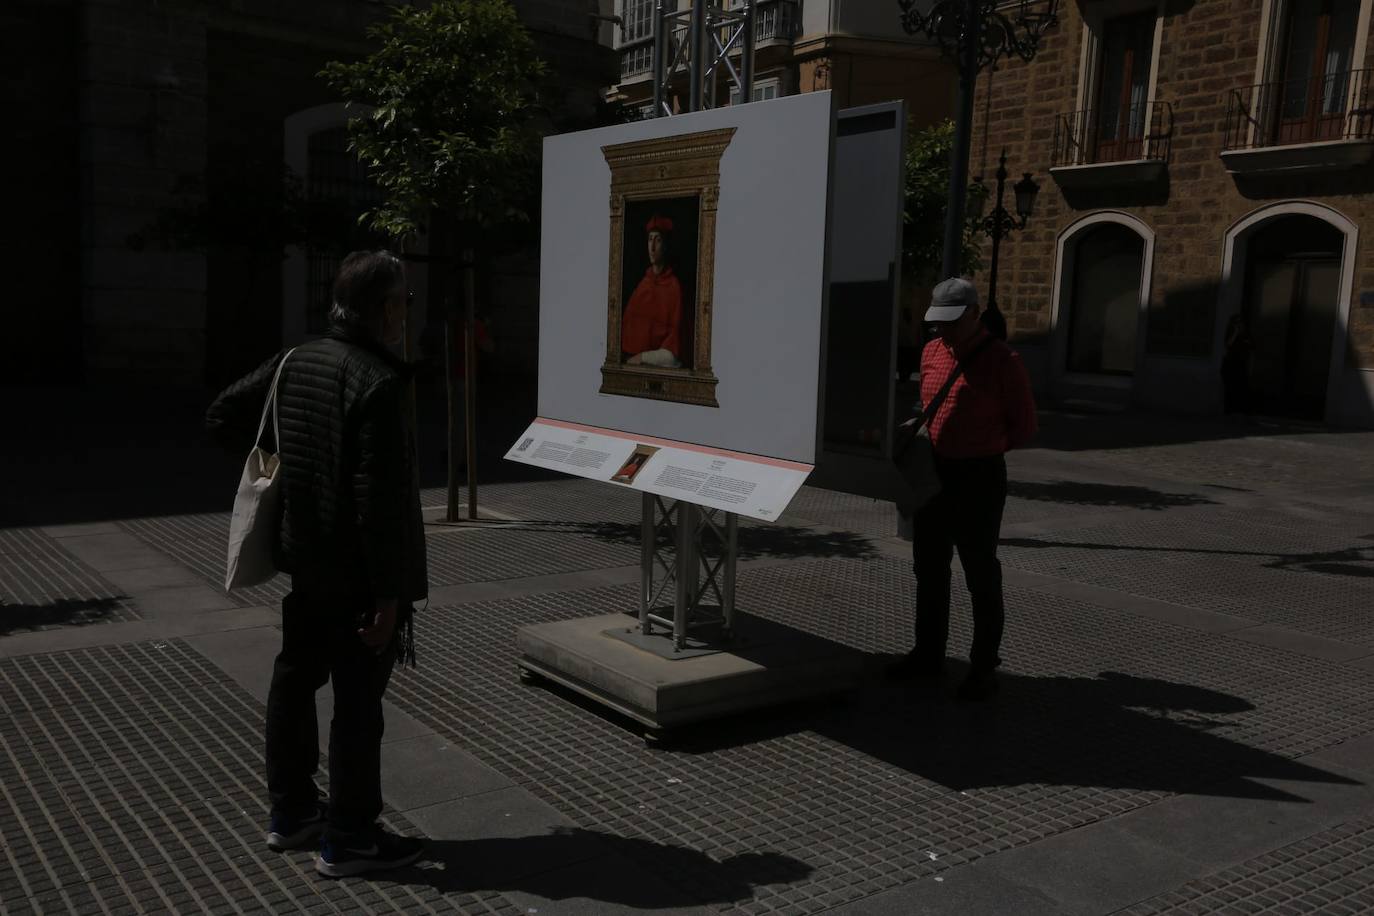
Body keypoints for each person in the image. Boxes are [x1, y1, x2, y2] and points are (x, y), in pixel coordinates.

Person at [205, 250, 427, 876]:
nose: (407, 312)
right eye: (404, 301)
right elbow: (376, 503)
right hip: (358, 578)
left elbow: (222, 415)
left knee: (294, 681)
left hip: (307, 564)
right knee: (358, 707)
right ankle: (350, 839)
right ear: (383, 309)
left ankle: (293, 813)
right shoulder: (378, 382)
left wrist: (290, 473)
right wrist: (388, 598)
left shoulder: (294, 361)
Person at [887, 277, 1038, 701]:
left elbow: (1024, 427)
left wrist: (979, 444)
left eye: (952, 322)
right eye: (938, 322)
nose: (943, 331)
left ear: (974, 314)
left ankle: (983, 667)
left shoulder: (1004, 361)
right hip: (933, 474)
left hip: (979, 478)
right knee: (929, 567)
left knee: (980, 573)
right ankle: (928, 654)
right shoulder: (932, 352)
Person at [622, 215, 683, 368]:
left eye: (658, 240)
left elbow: (673, 353)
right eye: (650, 239)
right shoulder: (643, 284)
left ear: (666, 245)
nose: (652, 247)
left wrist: (643, 356)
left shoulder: (674, 287)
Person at [1221, 312, 1253, 417]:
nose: (1239, 324)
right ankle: (1229, 412)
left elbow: (1251, 346)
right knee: (1230, 388)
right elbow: (1228, 344)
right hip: (1230, 364)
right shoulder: (1231, 332)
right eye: (1236, 322)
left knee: (1242, 388)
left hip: (1241, 364)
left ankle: (1241, 411)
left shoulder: (1246, 334)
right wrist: (1235, 332)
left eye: (1240, 322)